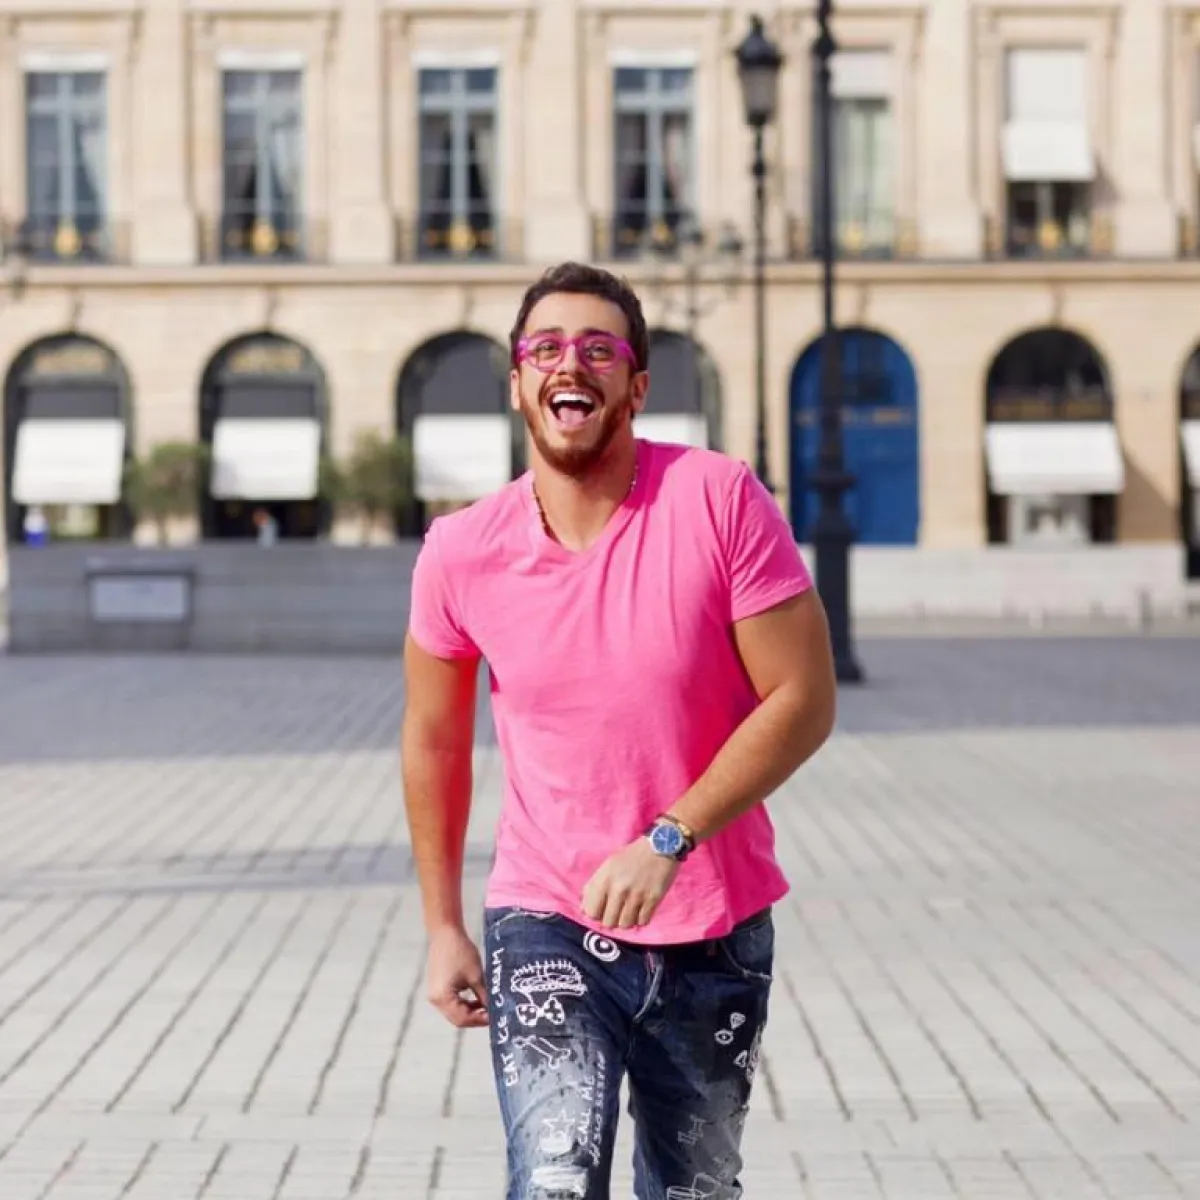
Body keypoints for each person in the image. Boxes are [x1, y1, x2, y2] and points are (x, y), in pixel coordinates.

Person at [402, 262, 836, 1199]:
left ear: (636, 388)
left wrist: (670, 837)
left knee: (692, 1190)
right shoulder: (460, 551)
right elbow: (433, 742)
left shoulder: (719, 499)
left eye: (600, 350)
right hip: (545, 918)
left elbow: (803, 698)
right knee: (554, 1183)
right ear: (518, 383)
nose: (572, 363)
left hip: (714, 925)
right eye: (547, 348)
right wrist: (441, 925)